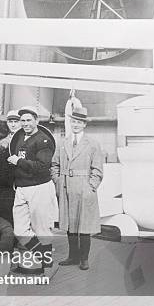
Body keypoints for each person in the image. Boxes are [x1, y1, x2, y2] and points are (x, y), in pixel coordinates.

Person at [51, 106, 104, 270]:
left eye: (79, 122)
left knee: (85, 226)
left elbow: (98, 169)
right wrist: (58, 182)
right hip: (66, 188)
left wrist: (91, 187)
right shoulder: (62, 142)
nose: (76, 124)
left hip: (84, 189)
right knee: (69, 225)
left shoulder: (93, 144)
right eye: (73, 121)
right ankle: (72, 257)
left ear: (84, 125)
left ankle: (84, 259)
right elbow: (54, 165)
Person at [8, 106, 58, 275]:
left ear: (36, 121)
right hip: (22, 187)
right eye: (22, 120)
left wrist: (18, 162)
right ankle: (43, 258)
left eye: (29, 120)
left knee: (42, 229)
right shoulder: (21, 136)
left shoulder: (43, 140)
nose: (25, 123)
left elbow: (43, 167)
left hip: (39, 187)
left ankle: (48, 267)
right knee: (20, 230)